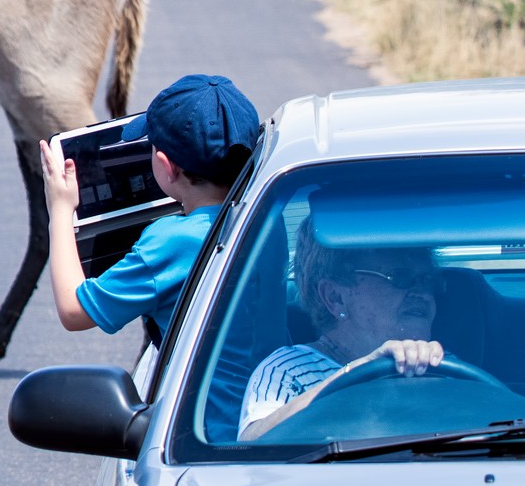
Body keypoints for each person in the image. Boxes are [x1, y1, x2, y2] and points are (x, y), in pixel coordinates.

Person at [41, 73, 260, 342]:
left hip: (205, 373)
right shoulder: (264, 218)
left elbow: (74, 311)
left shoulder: (171, 242)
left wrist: (61, 210)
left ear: (168, 166)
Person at [238, 213, 446, 440]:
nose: (423, 294)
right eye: (400, 278)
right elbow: (252, 444)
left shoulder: (444, 365)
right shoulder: (288, 371)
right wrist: (359, 370)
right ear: (335, 297)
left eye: (428, 280)